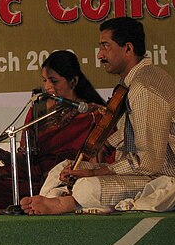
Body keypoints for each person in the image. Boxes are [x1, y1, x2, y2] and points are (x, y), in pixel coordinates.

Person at [21, 17, 175, 215]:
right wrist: (107, 145)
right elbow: (143, 126)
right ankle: (59, 201)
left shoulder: (144, 88)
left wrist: (94, 172)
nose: (100, 55)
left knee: (87, 187)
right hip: (144, 170)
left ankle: (64, 203)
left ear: (128, 48)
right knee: (62, 169)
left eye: (105, 46)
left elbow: (148, 162)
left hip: (161, 175)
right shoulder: (137, 81)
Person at [0, 50, 105, 208]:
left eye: (54, 81)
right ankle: (41, 198)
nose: (48, 87)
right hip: (35, 174)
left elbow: (101, 156)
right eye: (45, 80)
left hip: (66, 174)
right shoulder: (38, 108)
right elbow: (27, 156)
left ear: (73, 81)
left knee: (78, 187)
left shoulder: (92, 113)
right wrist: (7, 156)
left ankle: (45, 198)